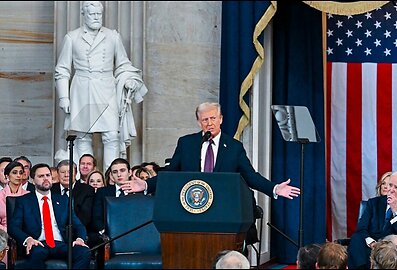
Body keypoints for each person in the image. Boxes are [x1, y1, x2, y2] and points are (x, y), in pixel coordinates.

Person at [123, 102, 300, 246]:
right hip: (191, 211)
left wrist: (274, 188)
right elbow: (170, 173)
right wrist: (146, 184)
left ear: (221, 119)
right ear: (199, 122)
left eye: (213, 118)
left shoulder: (233, 147)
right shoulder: (187, 143)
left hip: (222, 213)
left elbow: (250, 176)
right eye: (205, 119)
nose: (209, 123)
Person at [54, 1, 148, 171]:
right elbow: (62, 69)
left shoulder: (113, 36)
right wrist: (64, 97)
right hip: (82, 89)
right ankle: (86, 181)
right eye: (92, 14)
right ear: (84, 15)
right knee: (83, 137)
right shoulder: (72, 37)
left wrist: (129, 79)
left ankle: (110, 180)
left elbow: (122, 63)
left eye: (99, 14)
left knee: (112, 135)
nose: (97, 17)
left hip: (107, 89)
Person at [8, 163, 90, 269]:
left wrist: (80, 239)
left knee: (84, 252)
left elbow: (78, 225)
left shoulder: (63, 200)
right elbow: (13, 227)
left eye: (48, 175)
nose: (45, 179)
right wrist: (28, 239)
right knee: (38, 253)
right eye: (41, 176)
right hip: (38, 243)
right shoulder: (24, 201)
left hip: (60, 244)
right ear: (33, 180)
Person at [347, 172, 397, 269]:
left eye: (396, 187)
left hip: (391, 249)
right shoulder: (373, 203)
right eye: (390, 185)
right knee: (356, 237)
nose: (391, 190)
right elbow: (361, 228)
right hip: (370, 246)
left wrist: (395, 212)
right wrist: (372, 243)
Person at [50, 160, 95, 244]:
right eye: (63, 172)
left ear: (76, 173)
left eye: (70, 172)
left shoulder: (87, 190)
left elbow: (85, 216)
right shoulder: (51, 190)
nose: (66, 175)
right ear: (57, 173)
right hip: (56, 233)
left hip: (79, 233)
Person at [92, 158, 136, 233]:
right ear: (111, 175)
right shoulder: (102, 192)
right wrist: (105, 233)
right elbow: (96, 217)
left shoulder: (138, 192)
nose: (119, 174)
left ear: (129, 172)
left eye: (122, 170)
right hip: (108, 235)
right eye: (115, 172)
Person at [0, 161, 30, 232]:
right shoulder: (0, 195)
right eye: (14, 172)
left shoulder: (29, 195)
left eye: (21, 173)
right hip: (3, 235)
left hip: (26, 235)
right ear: (7, 176)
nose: (18, 175)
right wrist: (9, 231)